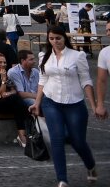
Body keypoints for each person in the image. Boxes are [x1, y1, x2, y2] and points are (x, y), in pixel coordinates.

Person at [32, 26, 97, 187]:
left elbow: (86, 81)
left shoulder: (77, 56)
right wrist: (37, 102)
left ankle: (91, 165)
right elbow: (42, 80)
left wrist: (94, 105)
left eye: (58, 38)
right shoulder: (44, 56)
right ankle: (62, 179)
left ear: (64, 38)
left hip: (74, 103)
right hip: (51, 101)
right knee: (57, 138)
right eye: (52, 38)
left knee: (77, 140)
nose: (55, 41)